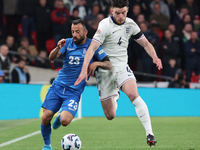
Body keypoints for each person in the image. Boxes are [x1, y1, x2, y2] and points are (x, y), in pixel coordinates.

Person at [75, 0, 163, 146]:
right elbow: (91, 48)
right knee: (110, 115)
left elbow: (146, 43)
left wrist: (155, 57)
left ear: (127, 10)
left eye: (123, 13)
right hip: (105, 70)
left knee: (134, 95)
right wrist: (84, 70)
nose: (120, 16)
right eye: (117, 13)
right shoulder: (104, 25)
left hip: (122, 67)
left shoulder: (131, 24)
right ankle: (115, 95)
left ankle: (150, 133)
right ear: (112, 11)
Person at [40, 19, 112, 150]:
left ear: (85, 32)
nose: (74, 35)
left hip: (73, 92)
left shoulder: (93, 46)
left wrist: (96, 63)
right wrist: (57, 48)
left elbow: (109, 65)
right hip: (58, 87)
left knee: (65, 121)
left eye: (77, 32)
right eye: (72, 31)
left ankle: (61, 115)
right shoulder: (67, 43)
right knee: (45, 117)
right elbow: (51, 58)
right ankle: (47, 145)